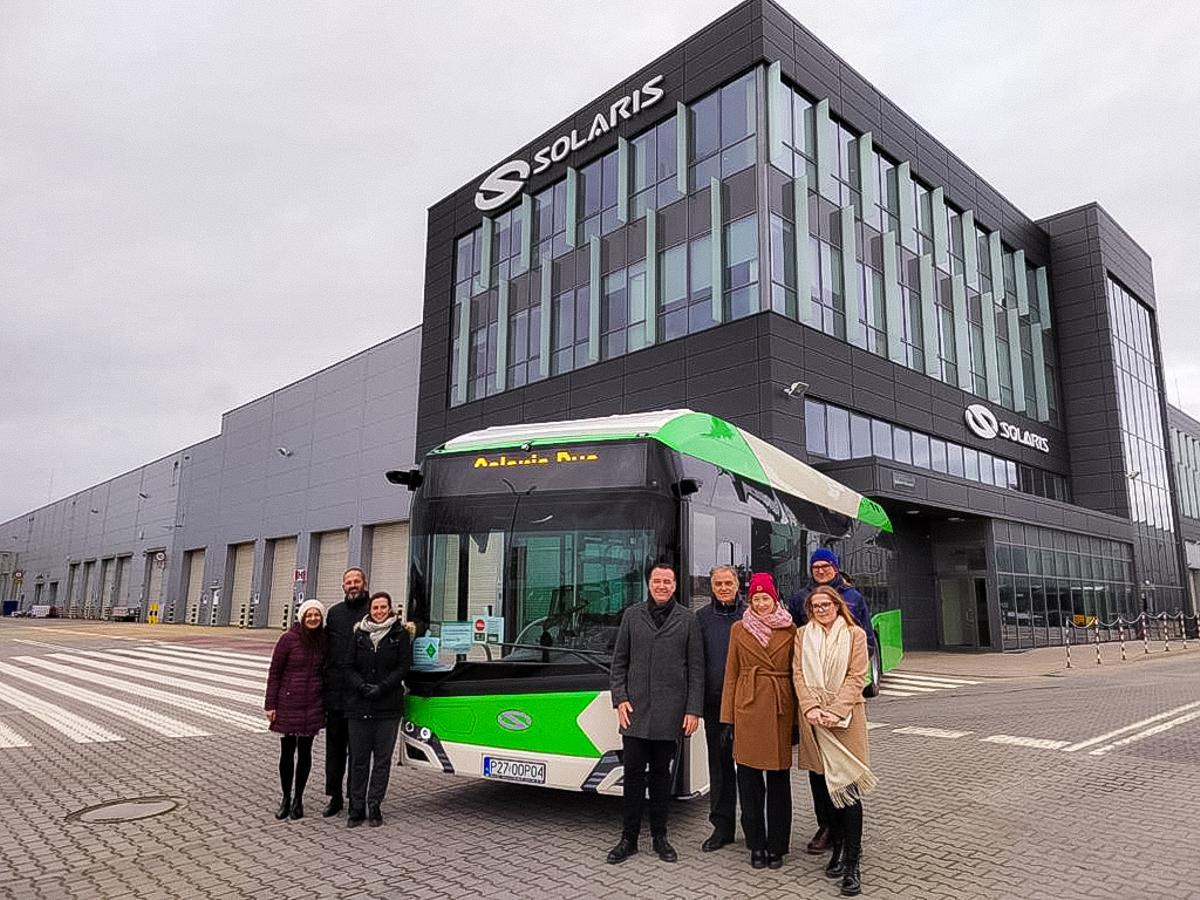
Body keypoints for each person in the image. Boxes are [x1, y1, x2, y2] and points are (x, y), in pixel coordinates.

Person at [606, 562, 704, 865]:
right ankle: (629, 839)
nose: (662, 586)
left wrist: (693, 710)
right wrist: (620, 699)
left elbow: (697, 669)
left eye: (667, 581)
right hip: (635, 712)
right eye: (657, 581)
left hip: (670, 715)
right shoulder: (632, 616)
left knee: (662, 778)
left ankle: (661, 837)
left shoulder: (687, 619)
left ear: (675, 585)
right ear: (649, 583)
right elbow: (619, 662)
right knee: (633, 777)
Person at [786, 548, 875, 854]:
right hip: (812, 712)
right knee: (818, 776)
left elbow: (858, 668)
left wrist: (836, 707)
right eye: (816, 566)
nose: (821, 570)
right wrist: (811, 706)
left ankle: (849, 847)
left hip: (843, 712)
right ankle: (827, 828)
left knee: (846, 779)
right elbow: (798, 665)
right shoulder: (800, 601)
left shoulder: (854, 603)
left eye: (826, 566)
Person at [720, 573, 796, 869]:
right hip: (748, 707)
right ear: (749, 601)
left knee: (779, 782)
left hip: (779, 706)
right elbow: (731, 674)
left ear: (775, 599)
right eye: (756, 599)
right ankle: (756, 844)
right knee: (749, 783)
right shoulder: (739, 629)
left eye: (766, 598)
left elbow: (798, 673)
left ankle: (777, 845)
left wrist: (798, 722)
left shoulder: (791, 629)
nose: (761, 603)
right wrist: (727, 718)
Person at [343, 591, 412, 827]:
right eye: (375, 608)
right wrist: (361, 686)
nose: (379, 611)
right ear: (370, 610)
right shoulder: (359, 634)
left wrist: (382, 687)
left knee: (382, 760)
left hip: (387, 707)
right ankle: (356, 807)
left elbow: (403, 667)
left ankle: (375, 805)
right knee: (359, 760)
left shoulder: (399, 635)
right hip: (359, 706)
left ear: (390, 609)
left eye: (383, 607)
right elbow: (348, 666)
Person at [695, 564, 745, 852]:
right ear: (711, 587)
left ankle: (753, 826)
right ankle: (722, 828)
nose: (724, 588)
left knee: (750, 770)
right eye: (718, 584)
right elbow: (696, 662)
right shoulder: (701, 618)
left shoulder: (751, 615)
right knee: (720, 767)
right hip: (715, 705)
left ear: (737, 584)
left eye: (728, 583)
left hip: (747, 706)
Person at [264, 598, 327, 821]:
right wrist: (270, 704)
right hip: (288, 703)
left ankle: (299, 798)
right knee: (287, 752)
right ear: (302, 617)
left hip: (313, 704)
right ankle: (285, 797)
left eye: (316, 615)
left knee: (306, 753)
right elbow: (275, 672)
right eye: (309, 615)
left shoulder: (323, 641)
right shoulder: (288, 639)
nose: (313, 618)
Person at [321, 566, 371, 817]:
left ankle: (356, 797)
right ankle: (335, 796)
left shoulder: (374, 611)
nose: (353, 585)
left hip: (361, 695)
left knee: (359, 751)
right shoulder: (334, 613)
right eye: (348, 582)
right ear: (343, 586)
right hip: (336, 696)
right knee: (335, 750)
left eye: (357, 581)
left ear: (365, 583)